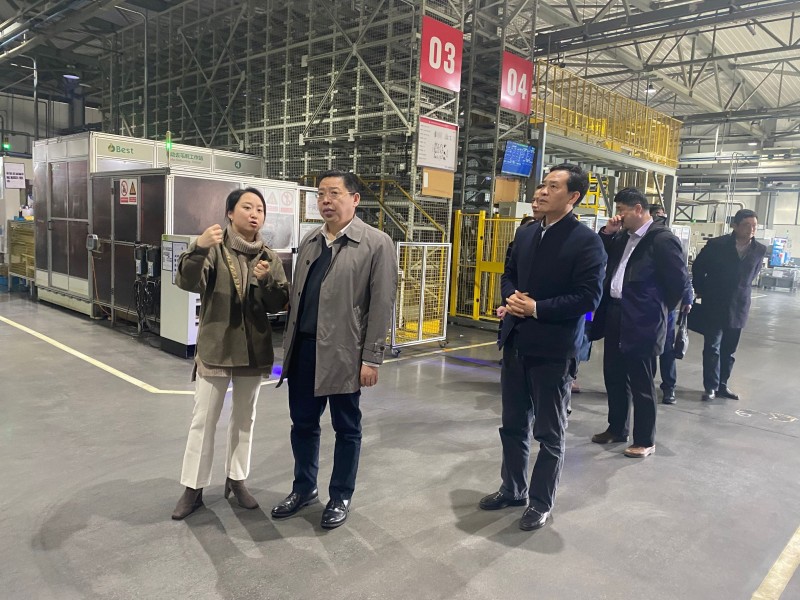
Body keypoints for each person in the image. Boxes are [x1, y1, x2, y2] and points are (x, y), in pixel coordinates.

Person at [479, 164, 607, 531]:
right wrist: (511, 298)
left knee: (549, 433)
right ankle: (512, 488)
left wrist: (537, 308)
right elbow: (508, 274)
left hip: (554, 349)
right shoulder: (527, 233)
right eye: (542, 185)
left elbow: (588, 297)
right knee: (513, 425)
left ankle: (540, 502)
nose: (542, 192)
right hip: (517, 341)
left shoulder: (586, 241)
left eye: (553, 186)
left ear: (573, 196)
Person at [271, 170, 398, 529]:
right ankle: (304, 488)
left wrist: (372, 358)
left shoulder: (376, 244)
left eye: (334, 193)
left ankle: (340, 495)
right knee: (303, 424)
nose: (326, 200)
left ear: (354, 199)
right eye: (321, 194)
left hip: (345, 354)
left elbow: (381, 305)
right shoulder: (311, 240)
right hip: (304, 351)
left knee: (346, 427)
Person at [171, 188, 290, 520]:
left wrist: (267, 282)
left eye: (260, 209)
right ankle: (193, 488)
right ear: (230, 213)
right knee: (203, 420)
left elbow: (279, 304)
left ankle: (236, 479)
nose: (254, 214)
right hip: (217, 349)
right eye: (247, 207)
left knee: (244, 419)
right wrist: (198, 248)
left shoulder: (268, 257)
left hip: (254, 351)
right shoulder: (214, 248)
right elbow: (186, 282)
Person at [590, 188, 689, 458]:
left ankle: (645, 440)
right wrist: (607, 233)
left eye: (622, 210)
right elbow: (601, 257)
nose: (618, 215)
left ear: (637, 209)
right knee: (614, 376)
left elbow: (678, 282)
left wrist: (655, 307)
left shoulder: (662, 239)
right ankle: (617, 428)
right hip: (615, 314)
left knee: (641, 382)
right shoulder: (623, 237)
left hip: (643, 320)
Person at [691, 209, 767, 401]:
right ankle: (711, 386)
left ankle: (722, 385)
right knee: (712, 347)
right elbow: (698, 267)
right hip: (714, 304)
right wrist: (701, 289)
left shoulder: (759, 249)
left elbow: (752, 274)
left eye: (754, 226)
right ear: (735, 226)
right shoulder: (717, 245)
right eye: (746, 225)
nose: (751, 229)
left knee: (729, 350)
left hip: (739, 306)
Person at [648, 205, 693, 405]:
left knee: (667, 349)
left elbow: (682, 274)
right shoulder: (643, 241)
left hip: (667, 306)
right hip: (646, 305)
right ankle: (646, 385)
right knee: (648, 350)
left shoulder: (669, 240)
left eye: (662, 216)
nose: (660, 219)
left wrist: (687, 298)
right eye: (656, 216)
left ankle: (669, 387)